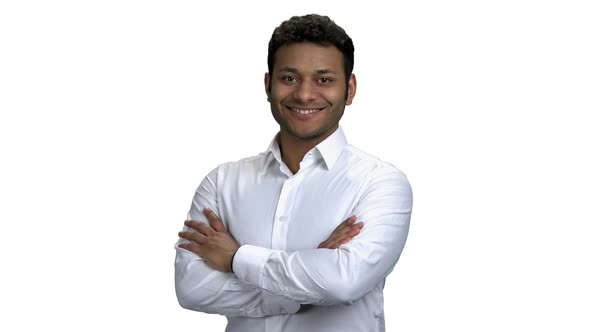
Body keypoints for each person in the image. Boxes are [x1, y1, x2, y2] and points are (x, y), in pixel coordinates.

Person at [175, 14, 412, 332]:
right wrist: (305, 284)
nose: (304, 94)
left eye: (324, 79)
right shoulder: (222, 182)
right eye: (289, 78)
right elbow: (192, 288)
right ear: (268, 85)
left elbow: (345, 282)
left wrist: (236, 259)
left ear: (350, 89)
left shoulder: (380, 183)